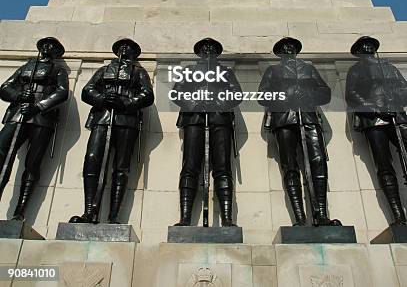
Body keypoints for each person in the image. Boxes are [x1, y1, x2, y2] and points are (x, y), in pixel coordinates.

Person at [69, 38, 154, 224]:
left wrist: (126, 103)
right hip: (103, 117)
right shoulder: (104, 70)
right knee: (92, 161)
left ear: (134, 53)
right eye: (121, 47)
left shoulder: (139, 72)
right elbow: (87, 90)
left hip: (126, 119)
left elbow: (147, 95)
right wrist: (102, 99)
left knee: (121, 167)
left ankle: (114, 215)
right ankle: (90, 212)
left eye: (129, 48)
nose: (124, 49)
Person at [258, 36, 340, 226]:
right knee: (290, 165)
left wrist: (309, 94)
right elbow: (262, 95)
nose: (288, 49)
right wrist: (285, 96)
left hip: (308, 117)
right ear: (279, 52)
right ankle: (299, 218)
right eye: (284, 47)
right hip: (284, 118)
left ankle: (320, 214)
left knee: (317, 161)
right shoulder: (273, 70)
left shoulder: (308, 69)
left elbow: (325, 92)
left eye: (292, 46)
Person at [173, 38, 242, 227]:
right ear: (199, 52)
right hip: (194, 118)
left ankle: (227, 218)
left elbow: (237, 94)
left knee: (222, 167)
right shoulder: (189, 71)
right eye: (205, 48)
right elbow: (177, 92)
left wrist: (219, 102)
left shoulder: (226, 72)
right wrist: (194, 103)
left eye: (212, 48)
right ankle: (185, 218)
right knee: (190, 166)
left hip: (220, 118)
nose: (208, 51)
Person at [0, 37, 68, 220]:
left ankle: (20, 212)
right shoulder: (26, 66)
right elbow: (5, 86)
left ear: (57, 52)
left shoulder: (58, 70)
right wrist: (19, 96)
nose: (47, 47)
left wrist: (38, 106)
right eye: (45, 44)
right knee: (2, 154)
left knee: (33, 164)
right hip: (18, 114)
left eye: (52, 46)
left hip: (41, 118)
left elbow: (61, 92)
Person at [346, 36, 407, 225]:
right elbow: (352, 94)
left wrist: (396, 99)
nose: (367, 47)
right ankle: (398, 216)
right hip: (374, 120)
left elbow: (404, 88)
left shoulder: (389, 67)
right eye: (363, 46)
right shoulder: (356, 70)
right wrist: (374, 108)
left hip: (397, 116)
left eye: (370, 45)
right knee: (384, 165)